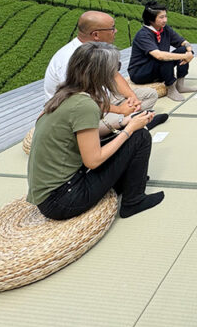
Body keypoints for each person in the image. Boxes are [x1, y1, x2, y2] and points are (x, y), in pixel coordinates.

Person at [28, 42, 164, 220]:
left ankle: (130, 182)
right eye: (115, 69)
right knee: (140, 136)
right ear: (103, 74)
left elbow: (83, 134)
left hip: (51, 194)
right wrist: (130, 129)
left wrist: (123, 122)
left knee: (124, 135)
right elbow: (93, 161)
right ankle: (133, 201)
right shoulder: (85, 105)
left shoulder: (65, 93)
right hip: (63, 199)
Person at [44, 11, 164, 136]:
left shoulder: (98, 49)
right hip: (82, 110)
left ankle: (130, 123)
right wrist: (119, 110)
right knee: (113, 119)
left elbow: (114, 75)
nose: (116, 31)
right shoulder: (71, 59)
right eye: (112, 28)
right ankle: (129, 125)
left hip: (103, 98)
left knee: (150, 95)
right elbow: (81, 102)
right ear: (96, 34)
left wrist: (132, 97)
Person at [128, 2, 196, 101]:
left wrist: (189, 52)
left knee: (183, 50)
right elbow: (159, 55)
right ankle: (171, 89)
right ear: (150, 19)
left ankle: (180, 85)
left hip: (157, 67)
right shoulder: (143, 35)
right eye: (161, 17)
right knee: (165, 57)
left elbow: (184, 42)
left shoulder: (165, 29)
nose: (165, 20)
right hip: (141, 72)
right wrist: (185, 56)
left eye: (165, 16)